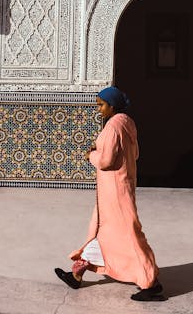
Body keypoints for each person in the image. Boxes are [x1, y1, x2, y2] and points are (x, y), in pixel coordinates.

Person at [54, 86, 164, 302]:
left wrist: (91, 155)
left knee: (130, 235)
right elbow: (134, 153)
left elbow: (105, 161)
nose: (99, 109)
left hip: (115, 191)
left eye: (101, 105)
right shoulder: (127, 123)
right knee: (101, 232)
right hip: (118, 187)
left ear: (112, 106)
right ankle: (77, 274)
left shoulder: (113, 126)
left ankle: (151, 283)